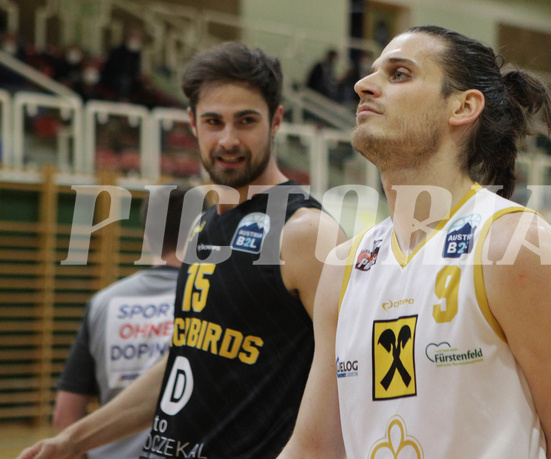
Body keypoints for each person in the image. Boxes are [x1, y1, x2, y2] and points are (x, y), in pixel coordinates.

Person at [279, 25, 551, 458]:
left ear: (463, 106)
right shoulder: (344, 266)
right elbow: (313, 449)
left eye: (399, 74)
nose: (363, 84)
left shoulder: (515, 246)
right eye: (373, 72)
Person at [18, 41, 345, 459]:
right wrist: (72, 440)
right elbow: (186, 356)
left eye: (246, 120)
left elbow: (347, 373)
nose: (228, 139)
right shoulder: (204, 225)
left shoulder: (306, 233)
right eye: (214, 121)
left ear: (276, 120)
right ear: (192, 123)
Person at [52, 184, 202, 459]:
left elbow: (65, 416)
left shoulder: (103, 303)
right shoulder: (212, 300)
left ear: (147, 237)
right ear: (201, 233)